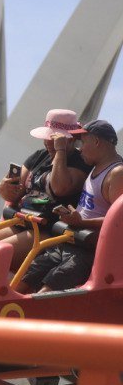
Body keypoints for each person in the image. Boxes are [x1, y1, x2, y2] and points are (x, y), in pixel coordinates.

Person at [20, 120, 122, 293]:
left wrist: (81, 222)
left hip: (87, 251)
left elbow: (118, 224)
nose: (79, 149)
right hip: (70, 241)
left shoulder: (117, 173)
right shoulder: (95, 167)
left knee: (44, 294)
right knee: (24, 279)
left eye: (83, 142)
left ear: (96, 141)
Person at [0, 108, 90, 271]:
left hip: (47, 230)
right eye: (47, 137)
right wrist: (3, 188)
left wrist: (60, 152)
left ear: (71, 139)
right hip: (23, 221)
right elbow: (14, 191)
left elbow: (59, 188)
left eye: (54, 138)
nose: (47, 142)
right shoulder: (39, 155)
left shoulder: (80, 162)